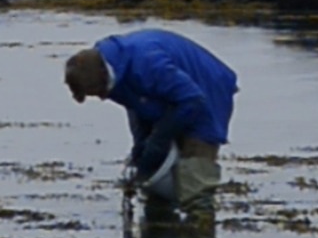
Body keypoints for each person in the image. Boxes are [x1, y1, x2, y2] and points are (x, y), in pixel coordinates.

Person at [63, 28, 237, 208]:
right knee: (155, 178)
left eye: (98, 92)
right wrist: (141, 146)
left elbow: (192, 100)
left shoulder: (147, 64)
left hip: (207, 88)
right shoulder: (109, 72)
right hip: (171, 94)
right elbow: (135, 104)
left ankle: (201, 219)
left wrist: (160, 139)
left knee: (195, 171)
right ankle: (160, 220)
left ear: (103, 77)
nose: (101, 97)